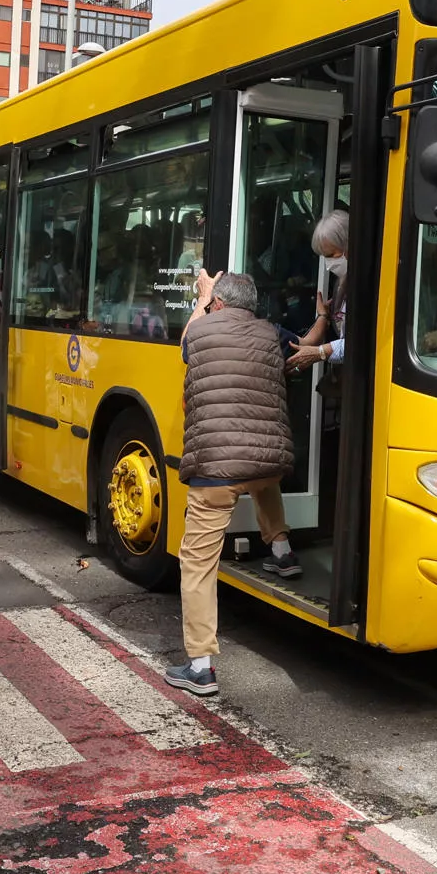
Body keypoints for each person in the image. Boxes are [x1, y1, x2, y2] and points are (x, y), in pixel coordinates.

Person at [164, 270, 296, 699]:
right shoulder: (270, 332)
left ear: (218, 303)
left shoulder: (201, 329)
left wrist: (201, 300)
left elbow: (185, 346)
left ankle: (200, 667)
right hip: (267, 464)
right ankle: (281, 549)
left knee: (198, 563)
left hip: (216, 471)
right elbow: (299, 346)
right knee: (260, 478)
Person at [287, 211, 349, 372]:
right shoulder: (343, 282)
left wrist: (319, 352)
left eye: (332, 255)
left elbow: (359, 345)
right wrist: (327, 316)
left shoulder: (368, 282)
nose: (329, 265)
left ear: (348, 246)